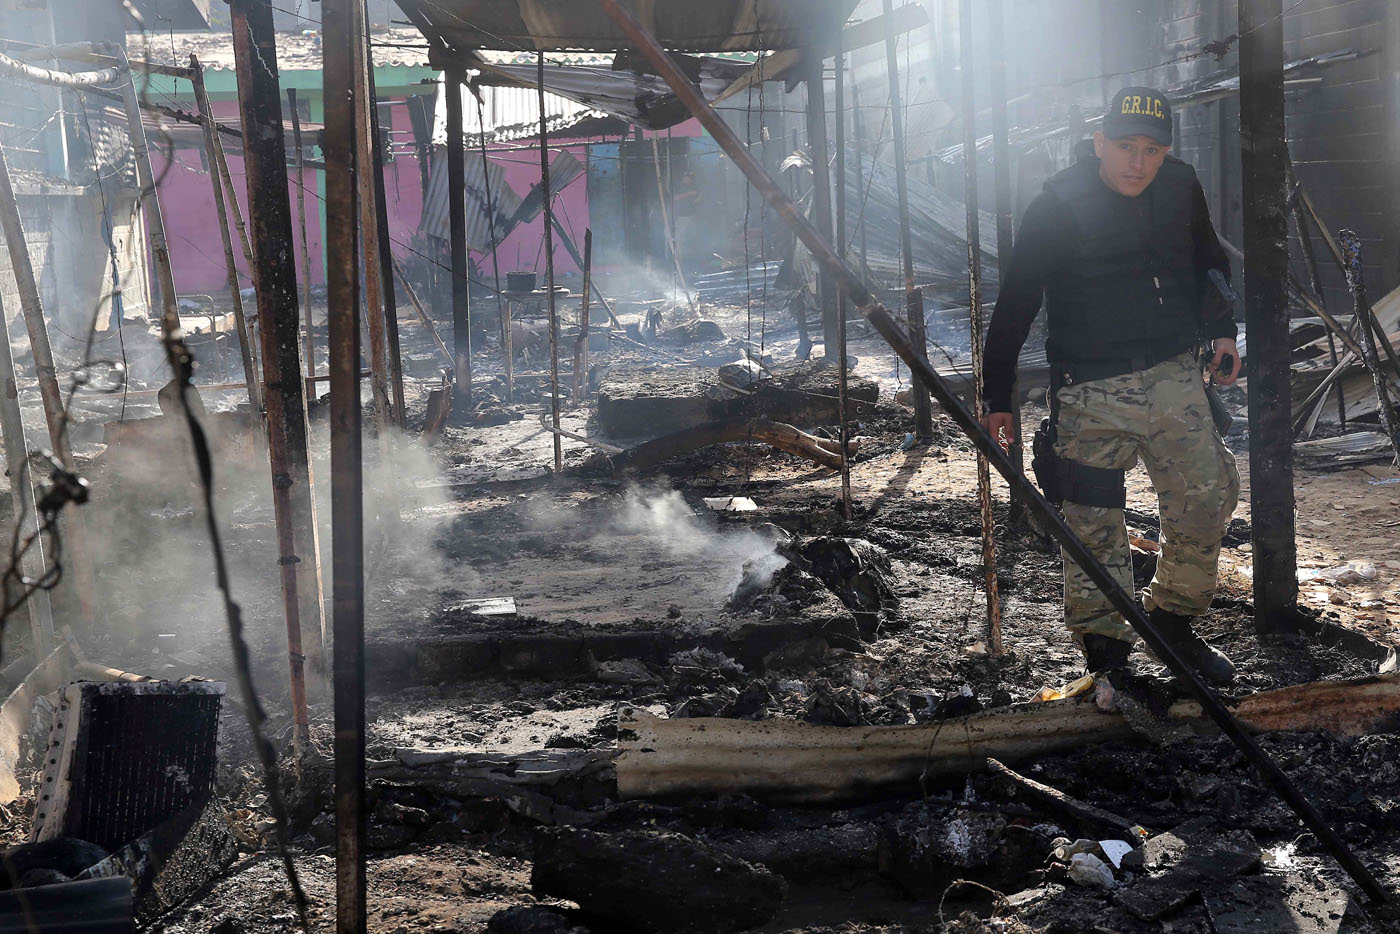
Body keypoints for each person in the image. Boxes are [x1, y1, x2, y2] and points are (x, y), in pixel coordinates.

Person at [979, 87, 1242, 683]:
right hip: (1089, 390)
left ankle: (1174, 623)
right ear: (1100, 143)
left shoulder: (1179, 186)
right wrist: (999, 396)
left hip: (1177, 377)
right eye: (1126, 147)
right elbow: (1017, 301)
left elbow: (1210, 262)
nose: (1138, 163)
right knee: (1094, 525)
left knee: (1207, 497)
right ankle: (1108, 657)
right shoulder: (1057, 205)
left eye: (1152, 150)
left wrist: (1223, 331)